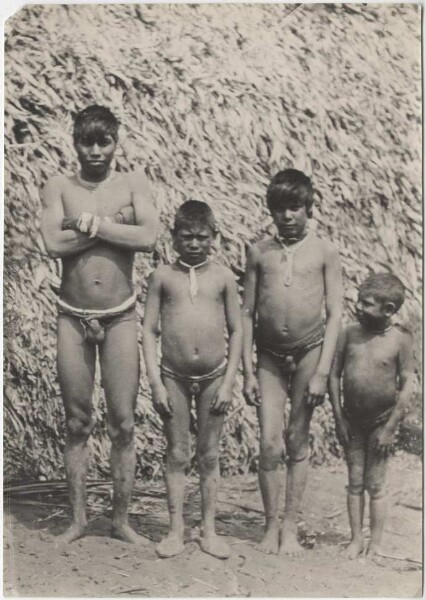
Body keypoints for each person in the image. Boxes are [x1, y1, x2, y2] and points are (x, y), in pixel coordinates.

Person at [40, 105, 159, 544]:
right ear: (74, 142)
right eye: (86, 142)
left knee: (123, 422)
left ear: (115, 142)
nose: (94, 151)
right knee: (76, 421)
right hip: (72, 316)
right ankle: (78, 520)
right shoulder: (58, 185)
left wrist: (91, 225)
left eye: (103, 141)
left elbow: (148, 238)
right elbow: (53, 243)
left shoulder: (133, 183)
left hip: (120, 315)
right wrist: (115, 225)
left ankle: (121, 520)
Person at [242, 169, 342, 556]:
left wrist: (321, 372)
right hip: (268, 356)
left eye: (295, 208)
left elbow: (334, 314)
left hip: (309, 353)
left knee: (297, 439)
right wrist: (248, 372)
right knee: (269, 442)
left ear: (309, 208)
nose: (287, 216)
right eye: (280, 209)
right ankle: (269, 527)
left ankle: (290, 528)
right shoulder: (258, 252)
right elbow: (248, 312)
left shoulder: (324, 252)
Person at [142, 200, 242, 559]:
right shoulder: (162, 278)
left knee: (210, 454)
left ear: (214, 236)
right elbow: (149, 330)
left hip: (215, 377)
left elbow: (237, 329)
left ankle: (209, 530)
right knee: (177, 453)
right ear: (174, 237)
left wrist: (230, 381)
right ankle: (175, 530)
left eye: (202, 237)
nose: (195, 244)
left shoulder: (224, 278)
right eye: (187, 237)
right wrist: (154, 382)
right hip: (174, 377)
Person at [328, 272, 414, 559]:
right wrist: (339, 417)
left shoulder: (399, 340)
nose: (358, 307)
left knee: (376, 485)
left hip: (381, 423)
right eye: (359, 301)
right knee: (354, 482)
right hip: (352, 421)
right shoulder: (349, 333)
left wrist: (390, 428)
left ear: (388, 310)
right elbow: (333, 375)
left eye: (366, 304)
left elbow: (406, 388)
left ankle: (375, 544)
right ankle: (355, 539)